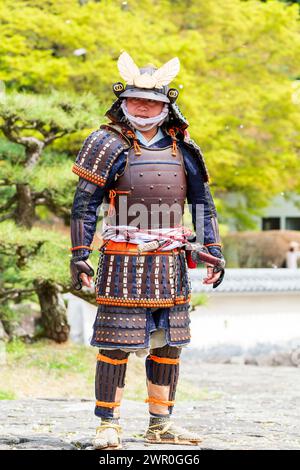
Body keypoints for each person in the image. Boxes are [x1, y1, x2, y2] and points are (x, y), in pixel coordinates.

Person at [70, 51, 225, 450]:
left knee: (170, 343)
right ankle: (107, 422)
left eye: (153, 102)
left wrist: (213, 247)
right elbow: (85, 204)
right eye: (137, 100)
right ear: (123, 102)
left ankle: (161, 423)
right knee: (116, 342)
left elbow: (202, 202)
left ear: (167, 105)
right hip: (123, 258)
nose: (144, 107)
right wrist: (79, 253)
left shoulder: (183, 147)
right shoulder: (104, 142)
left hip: (171, 261)